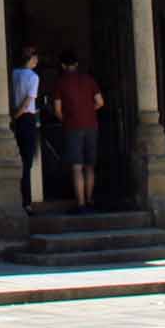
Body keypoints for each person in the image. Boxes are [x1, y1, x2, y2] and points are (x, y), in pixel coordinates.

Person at [47, 50, 106, 212]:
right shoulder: (89, 80)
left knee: (76, 167)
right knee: (90, 166)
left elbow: (58, 110)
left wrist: (69, 119)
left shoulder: (60, 83)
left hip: (73, 127)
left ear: (63, 66)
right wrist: (88, 111)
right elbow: (100, 102)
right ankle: (90, 200)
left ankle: (80, 204)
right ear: (77, 64)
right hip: (91, 126)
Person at [9, 45, 41, 208]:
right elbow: (28, 101)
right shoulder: (33, 77)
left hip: (17, 117)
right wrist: (17, 115)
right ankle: (26, 202)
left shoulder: (14, 73)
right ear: (31, 59)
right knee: (26, 162)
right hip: (26, 117)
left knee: (19, 159)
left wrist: (13, 116)